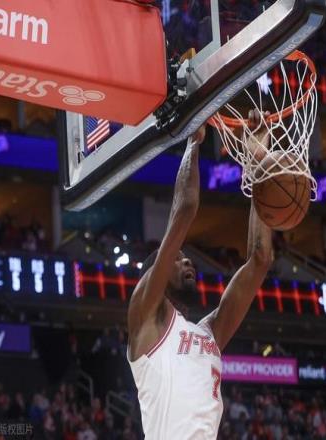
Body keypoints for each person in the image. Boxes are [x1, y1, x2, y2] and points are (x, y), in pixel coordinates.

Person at [127, 111, 273, 440]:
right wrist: (194, 141)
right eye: (176, 259)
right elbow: (185, 209)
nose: (187, 261)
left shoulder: (209, 335)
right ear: (154, 275)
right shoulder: (145, 317)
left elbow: (261, 260)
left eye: (185, 257)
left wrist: (259, 163)